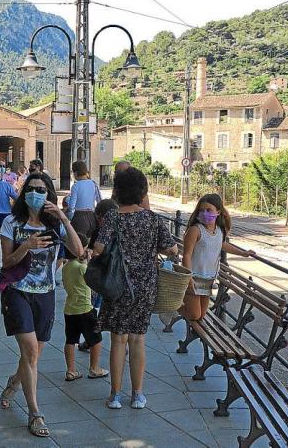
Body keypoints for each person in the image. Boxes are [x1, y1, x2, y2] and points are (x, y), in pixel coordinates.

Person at [0, 172, 82, 437]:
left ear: (49, 195)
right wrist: (27, 246)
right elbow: (6, 262)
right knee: (31, 351)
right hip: (17, 292)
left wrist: (64, 218)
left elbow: (79, 251)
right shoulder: (11, 222)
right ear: (24, 193)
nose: (35, 193)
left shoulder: (54, 225)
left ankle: (14, 382)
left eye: (41, 190)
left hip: (45, 295)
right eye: (31, 189)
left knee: (32, 356)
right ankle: (35, 413)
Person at [92, 168, 178, 410]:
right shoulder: (153, 219)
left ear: (117, 191)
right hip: (145, 287)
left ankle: (115, 395)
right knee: (138, 339)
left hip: (117, 285)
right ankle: (138, 395)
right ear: (143, 192)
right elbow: (172, 250)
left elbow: (98, 248)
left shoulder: (112, 217)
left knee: (118, 340)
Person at [176, 194, 254, 321]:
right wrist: (188, 277)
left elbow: (223, 245)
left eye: (209, 210)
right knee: (195, 314)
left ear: (218, 212)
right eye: (202, 210)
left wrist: (243, 253)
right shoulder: (195, 230)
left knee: (201, 315)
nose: (205, 213)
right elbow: (187, 254)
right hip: (194, 278)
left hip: (209, 279)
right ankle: (175, 305)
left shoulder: (219, 231)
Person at [62, 232, 108, 381]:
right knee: (96, 339)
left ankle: (71, 370)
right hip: (85, 309)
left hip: (70, 309)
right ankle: (94, 368)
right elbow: (95, 280)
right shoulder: (82, 268)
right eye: (85, 247)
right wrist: (88, 261)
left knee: (70, 340)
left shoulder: (66, 267)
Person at [78, 198, 118, 353]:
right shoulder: (119, 231)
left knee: (94, 310)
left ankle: (92, 340)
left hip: (102, 278)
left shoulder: (102, 232)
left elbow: (95, 252)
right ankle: (96, 340)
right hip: (112, 278)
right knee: (106, 311)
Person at [66, 161, 102, 238]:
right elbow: (100, 201)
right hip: (92, 216)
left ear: (76, 173)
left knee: (78, 241)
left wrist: (67, 213)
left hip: (79, 217)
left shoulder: (75, 186)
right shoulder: (94, 183)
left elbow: (71, 206)